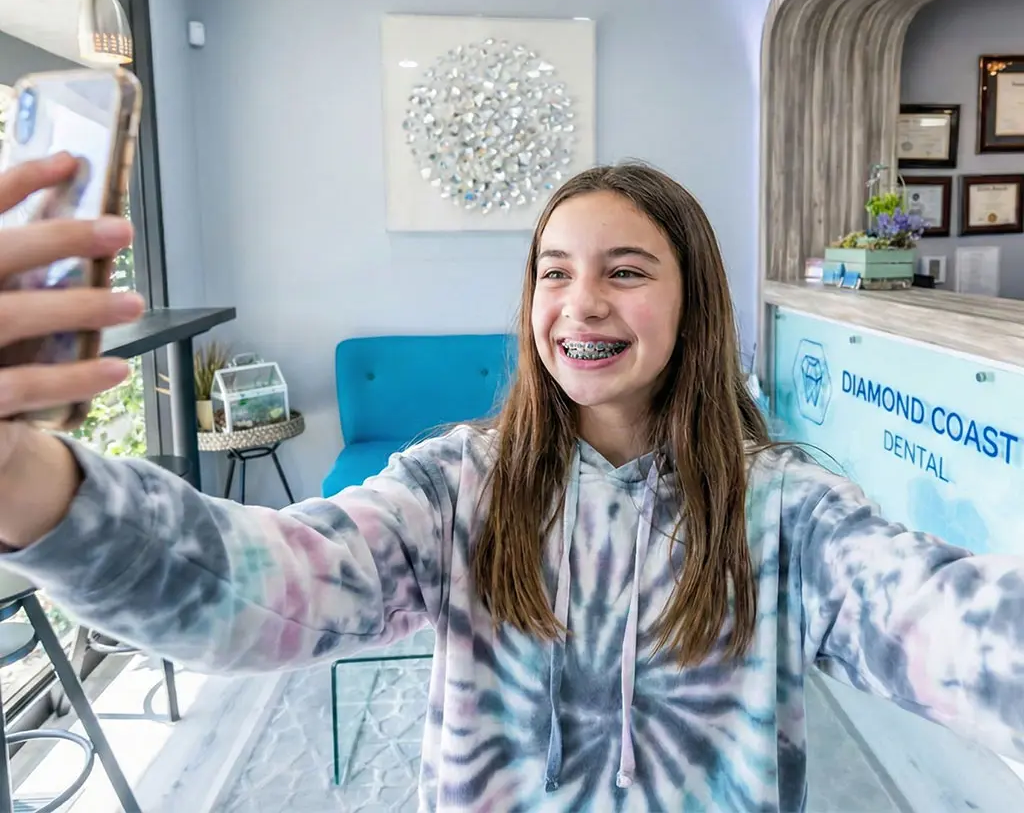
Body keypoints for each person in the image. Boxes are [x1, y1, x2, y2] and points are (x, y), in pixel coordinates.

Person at [0, 154, 1022, 813]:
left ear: (693, 301)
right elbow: (255, 591)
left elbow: (947, 629)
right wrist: (25, 474)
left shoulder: (787, 507)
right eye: (553, 270)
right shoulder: (453, 487)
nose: (581, 300)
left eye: (625, 270)